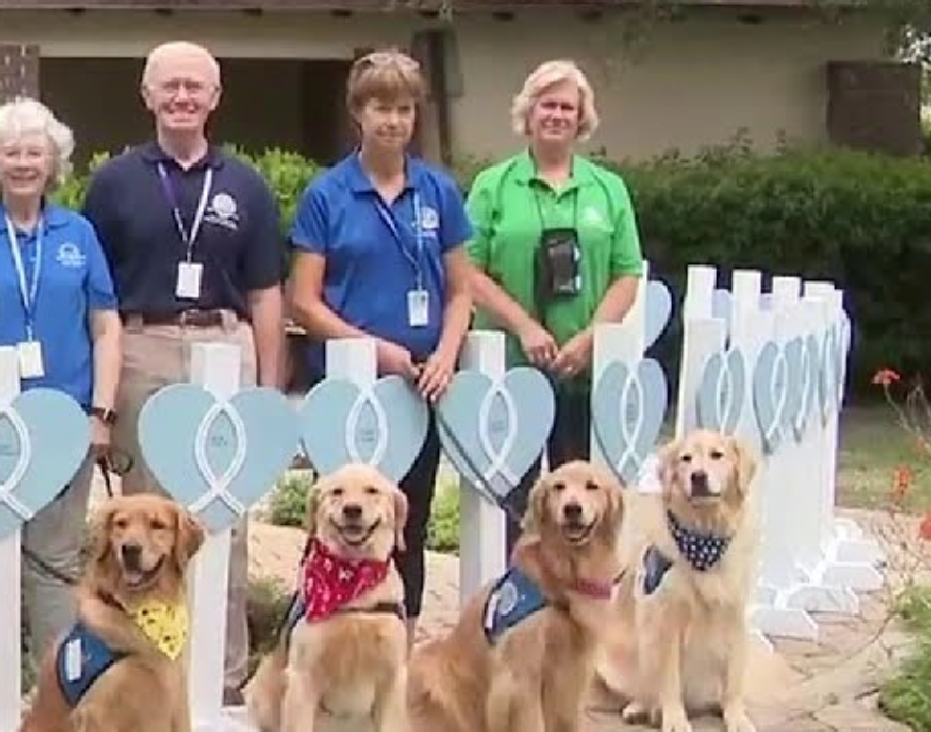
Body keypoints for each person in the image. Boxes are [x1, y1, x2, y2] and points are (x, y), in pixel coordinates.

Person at [77, 40, 286, 696]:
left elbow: (266, 294)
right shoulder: (114, 182)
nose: (182, 97)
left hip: (225, 344)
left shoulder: (244, 184)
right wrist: (102, 398)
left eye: (195, 87)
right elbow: (95, 295)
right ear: (148, 96)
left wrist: (269, 392)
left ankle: (221, 673)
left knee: (221, 515)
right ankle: (148, 667)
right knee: (143, 519)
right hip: (143, 346)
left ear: (215, 98)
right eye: (170, 86)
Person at [286, 48, 495, 628]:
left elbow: (460, 289)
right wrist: (375, 349)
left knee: (409, 517)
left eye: (404, 108)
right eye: (380, 107)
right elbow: (303, 299)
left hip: (418, 385)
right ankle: (326, 634)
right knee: (339, 519)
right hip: (350, 383)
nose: (393, 121)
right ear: (358, 112)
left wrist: (447, 355)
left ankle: (396, 641)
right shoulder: (327, 195)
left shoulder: (438, 192)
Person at [0, 98, 121, 682]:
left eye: (34, 151)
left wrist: (101, 410)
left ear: (53, 161)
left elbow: (106, 325)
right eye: (11, 152)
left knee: (55, 561)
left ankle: (56, 691)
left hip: (65, 419)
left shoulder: (78, 234)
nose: (23, 163)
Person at [465, 60, 647, 549]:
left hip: (582, 372)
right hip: (512, 369)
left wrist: (590, 339)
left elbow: (628, 274)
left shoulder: (608, 190)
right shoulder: (493, 185)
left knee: (580, 503)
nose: (557, 115)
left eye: (568, 107)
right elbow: (466, 270)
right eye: (548, 104)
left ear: (582, 118)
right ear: (529, 111)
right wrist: (524, 326)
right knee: (515, 503)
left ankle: (579, 609)